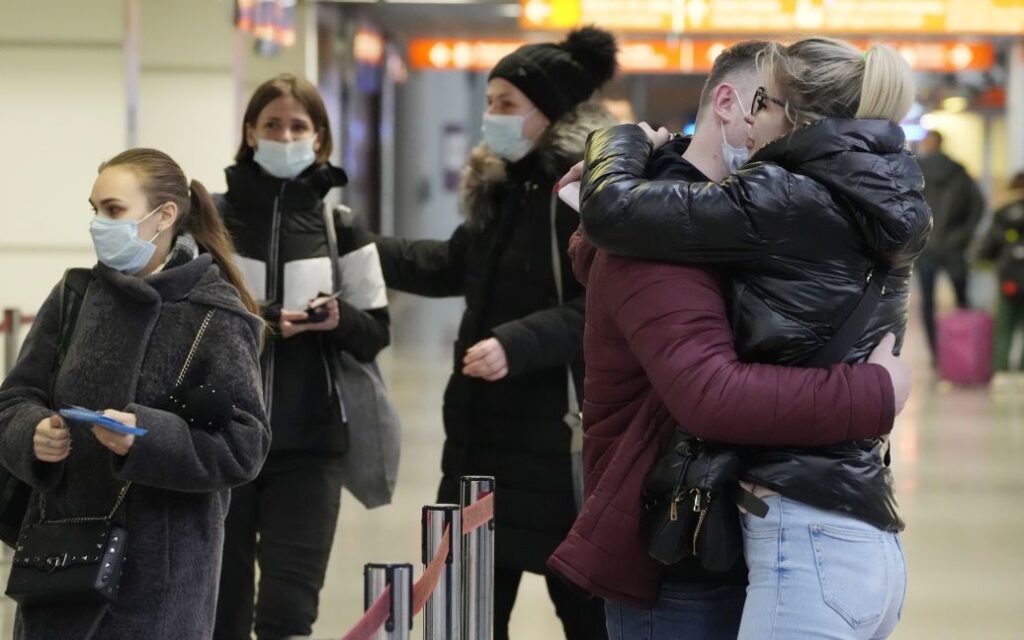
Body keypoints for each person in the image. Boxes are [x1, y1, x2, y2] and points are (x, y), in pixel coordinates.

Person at [562, 37, 931, 639]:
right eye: (755, 102)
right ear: (729, 104)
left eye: (768, 104)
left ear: (797, 119)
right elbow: (711, 388)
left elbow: (613, 213)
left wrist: (617, 146)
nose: (757, 125)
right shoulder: (869, 194)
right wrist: (872, 393)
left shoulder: (773, 203)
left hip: (782, 527)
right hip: (705, 542)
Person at [372, 28, 617, 640]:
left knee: (589, 617)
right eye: (489, 102)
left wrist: (518, 342)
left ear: (551, 112)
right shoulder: (504, 189)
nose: (492, 117)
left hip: (562, 445)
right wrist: (358, 247)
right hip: (480, 440)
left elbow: (607, 305)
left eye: (507, 103)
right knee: (466, 620)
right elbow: (451, 266)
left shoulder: (586, 195)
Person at [0, 148, 271, 639]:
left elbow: (244, 445)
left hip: (161, 585)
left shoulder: (215, 314)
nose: (98, 224)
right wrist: (31, 433)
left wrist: (146, 439)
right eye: (95, 209)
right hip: (58, 567)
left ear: (164, 216)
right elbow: (14, 400)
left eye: (114, 210)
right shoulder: (75, 296)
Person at [213, 74, 390, 640]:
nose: (285, 137)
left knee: (288, 614)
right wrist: (263, 319)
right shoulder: (211, 220)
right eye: (272, 125)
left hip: (311, 447)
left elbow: (376, 332)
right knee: (221, 612)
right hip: (219, 439)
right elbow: (188, 318)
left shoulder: (343, 228)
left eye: (298, 126)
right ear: (250, 133)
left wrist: (340, 318)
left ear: (319, 138)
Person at [916, 129, 984, 363]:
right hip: (954, 247)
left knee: (928, 303)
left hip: (926, 246)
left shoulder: (916, 172)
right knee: (962, 300)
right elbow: (978, 205)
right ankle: (966, 352)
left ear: (928, 144)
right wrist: (963, 235)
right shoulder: (959, 171)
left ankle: (936, 354)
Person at [978, 172, 1024, 371]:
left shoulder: (1002, 212)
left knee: (1004, 328)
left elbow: (988, 248)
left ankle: (1001, 370)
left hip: (1009, 278)